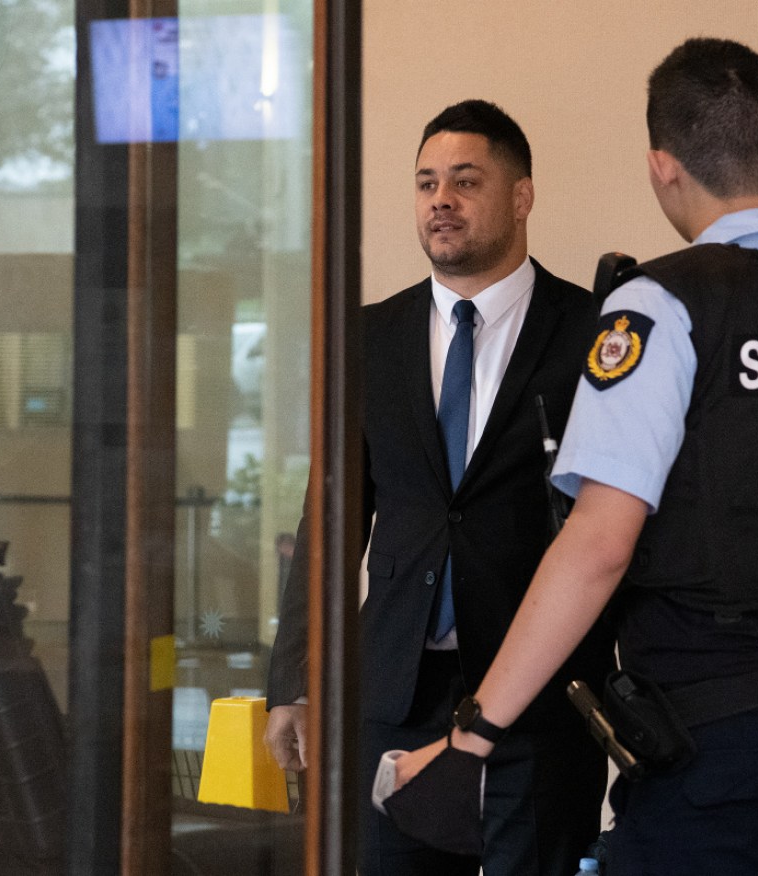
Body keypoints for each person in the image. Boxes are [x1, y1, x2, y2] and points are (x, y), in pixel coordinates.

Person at [395, 39, 758, 874]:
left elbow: (597, 544)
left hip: (716, 754)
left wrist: (473, 735)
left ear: (662, 167)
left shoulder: (656, 306)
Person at [265, 99, 615, 876]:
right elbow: (330, 520)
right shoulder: (366, 337)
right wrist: (291, 677)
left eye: (464, 181)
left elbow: (621, 526)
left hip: (537, 696)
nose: (440, 202)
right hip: (393, 690)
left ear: (521, 196)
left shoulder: (593, 333)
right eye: (425, 184)